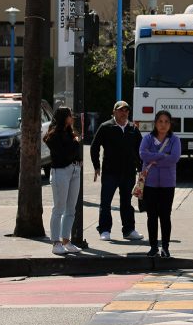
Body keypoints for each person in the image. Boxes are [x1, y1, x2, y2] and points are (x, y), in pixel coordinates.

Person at [90, 101, 144, 242]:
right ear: (114, 112)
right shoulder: (105, 127)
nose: (124, 113)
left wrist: (142, 167)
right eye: (121, 110)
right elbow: (94, 147)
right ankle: (105, 230)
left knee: (126, 202)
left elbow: (141, 149)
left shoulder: (133, 128)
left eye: (126, 110)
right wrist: (96, 166)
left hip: (128, 172)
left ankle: (129, 230)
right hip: (110, 172)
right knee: (106, 202)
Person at [139, 110, 182, 257]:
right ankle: (153, 247)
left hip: (167, 184)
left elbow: (174, 158)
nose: (163, 125)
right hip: (150, 183)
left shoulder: (175, 140)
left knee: (165, 216)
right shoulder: (148, 138)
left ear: (170, 124)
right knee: (151, 216)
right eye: (160, 122)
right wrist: (163, 156)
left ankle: (165, 247)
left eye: (166, 122)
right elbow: (142, 154)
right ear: (155, 123)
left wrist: (154, 159)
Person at [44, 107, 83, 255]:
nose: (72, 118)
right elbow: (64, 153)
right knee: (59, 207)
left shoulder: (70, 133)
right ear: (63, 118)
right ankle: (56, 242)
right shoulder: (54, 135)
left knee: (71, 208)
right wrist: (75, 143)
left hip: (74, 170)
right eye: (69, 115)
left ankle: (66, 240)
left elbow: (74, 152)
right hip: (61, 171)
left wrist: (78, 159)